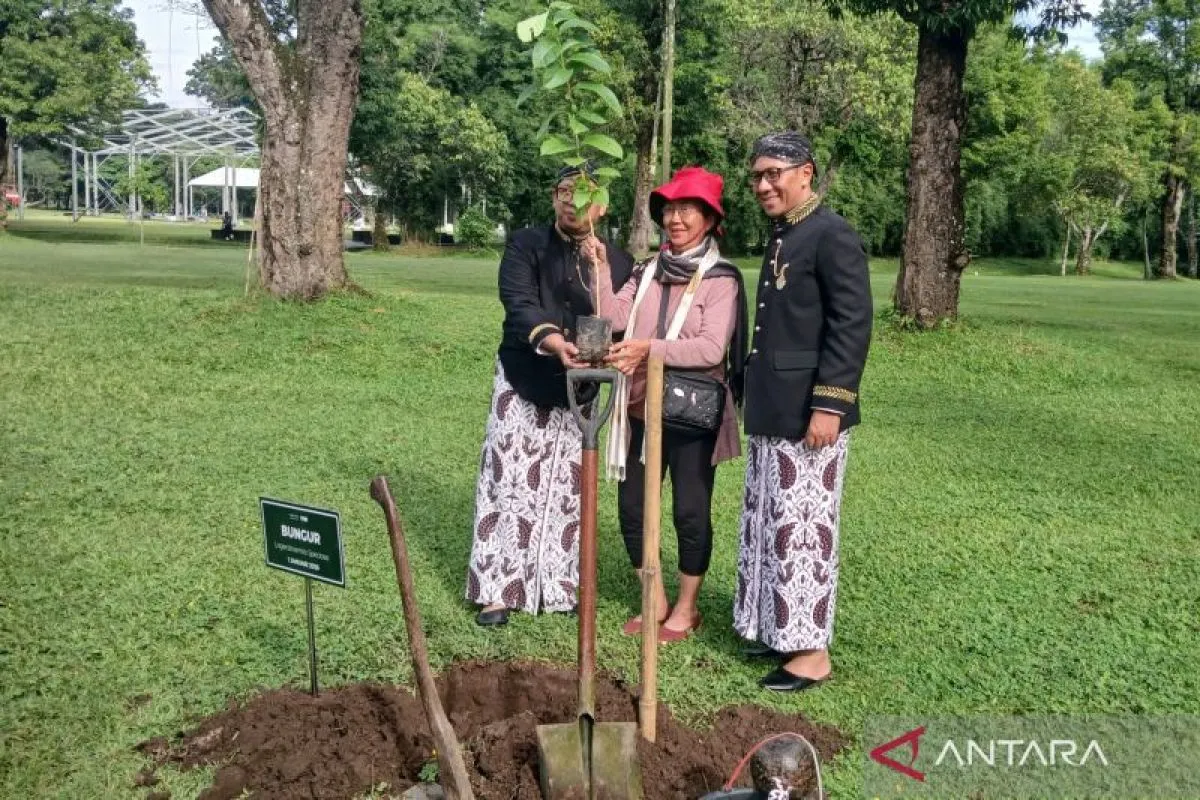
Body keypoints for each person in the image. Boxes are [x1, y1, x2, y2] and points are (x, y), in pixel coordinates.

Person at [465, 164, 635, 627]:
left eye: (583, 194)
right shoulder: (526, 244)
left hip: (580, 389)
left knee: (566, 487)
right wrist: (555, 342)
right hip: (524, 374)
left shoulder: (619, 262)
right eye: (564, 191)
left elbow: (621, 320)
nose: (571, 201)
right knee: (508, 478)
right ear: (554, 197)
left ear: (602, 206)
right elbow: (519, 303)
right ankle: (497, 590)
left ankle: (557, 587)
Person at [734, 132, 872, 691]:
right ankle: (778, 630)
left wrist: (830, 405)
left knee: (805, 533)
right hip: (775, 407)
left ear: (806, 173)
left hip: (810, 414)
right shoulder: (786, 234)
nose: (763, 185)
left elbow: (851, 324)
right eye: (757, 176)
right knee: (771, 523)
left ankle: (811, 653)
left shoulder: (831, 234)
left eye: (774, 174)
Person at [587, 166, 748, 642]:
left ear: (709, 219)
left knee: (689, 512)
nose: (675, 219)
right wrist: (601, 267)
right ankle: (653, 597)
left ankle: (687, 606)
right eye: (670, 210)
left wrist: (648, 350)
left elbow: (711, 348)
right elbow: (612, 316)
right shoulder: (647, 270)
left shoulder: (720, 279)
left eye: (687, 210)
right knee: (633, 507)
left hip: (691, 414)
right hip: (639, 407)